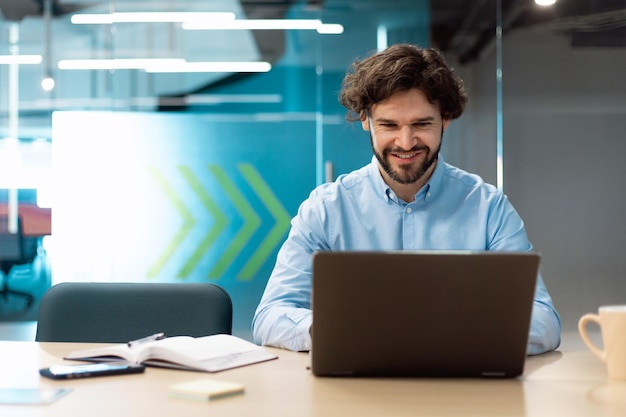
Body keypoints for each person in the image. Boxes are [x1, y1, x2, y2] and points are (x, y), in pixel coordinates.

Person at [251, 43, 561, 355]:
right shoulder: (326, 210)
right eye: (389, 125)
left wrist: (445, 334)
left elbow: (544, 320)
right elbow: (270, 315)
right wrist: (331, 331)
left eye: (422, 124)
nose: (405, 142)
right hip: (353, 390)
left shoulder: (489, 209)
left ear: (446, 119)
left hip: (460, 391)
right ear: (365, 120)